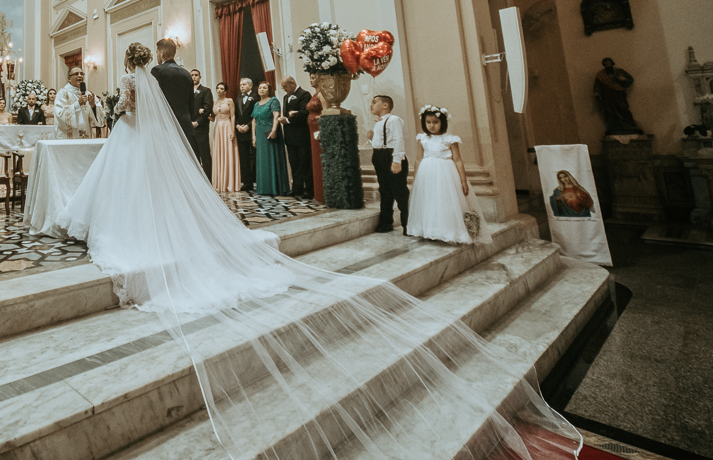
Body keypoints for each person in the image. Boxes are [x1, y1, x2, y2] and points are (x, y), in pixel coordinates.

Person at [50, 44, 575, 460]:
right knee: (161, 194)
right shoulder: (181, 77)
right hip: (163, 144)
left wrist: (120, 104)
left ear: (131, 64)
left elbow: (124, 110)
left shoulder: (133, 85)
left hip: (132, 138)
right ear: (160, 58)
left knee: (125, 196)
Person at [403, 105, 492, 244]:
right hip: (426, 173)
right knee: (429, 201)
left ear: (442, 122)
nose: (431, 125)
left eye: (435, 122)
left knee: (444, 200)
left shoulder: (450, 139)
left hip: (445, 173)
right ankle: (430, 230)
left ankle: (448, 231)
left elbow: (457, 160)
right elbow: (418, 159)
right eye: (428, 122)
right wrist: (416, 178)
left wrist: (463, 180)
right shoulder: (422, 139)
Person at [368, 94, 410, 234]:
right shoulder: (378, 122)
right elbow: (380, 144)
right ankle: (386, 223)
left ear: (385, 105)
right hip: (380, 156)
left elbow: (398, 139)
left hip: (391, 156)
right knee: (385, 191)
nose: (371, 105)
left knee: (399, 191)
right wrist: (372, 138)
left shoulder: (394, 120)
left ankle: (408, 224)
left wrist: (397, 160)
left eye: (374, 102)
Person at [150, 38, 195, 148]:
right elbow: (191, 103)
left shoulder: (157, 71)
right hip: (185, 124)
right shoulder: (187, 74)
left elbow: (153, 99)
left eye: (156, 52)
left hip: (165, 125)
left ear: (161, 53)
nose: (156, 55)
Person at [252, 81, 289, 196]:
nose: (261, 90)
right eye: (260, 88)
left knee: (271, 158)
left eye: (264, 88)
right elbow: (254, 120)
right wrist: (253, 136)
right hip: (259, 132)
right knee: (262, 160)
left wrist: (273, 130)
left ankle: (275, 187)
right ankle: (264, 187)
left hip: (269, 132)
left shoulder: (273, 100)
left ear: (269, 90)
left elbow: (276, 116)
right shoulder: (256, 104)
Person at [279, 76, 313, 198]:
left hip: (301, 135)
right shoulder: (285, 97)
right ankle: (297, 188)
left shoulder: (304, 95)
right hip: (290, 136)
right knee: (294, 164)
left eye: (285, 86)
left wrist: (287, 120)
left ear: (292, 83)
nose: (284, 89)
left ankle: (309, 189)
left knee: (305, 163)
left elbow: (305, 113)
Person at [54, 68, 106, 139]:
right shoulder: (62, 93)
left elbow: (102, 118)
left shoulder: (89, 94)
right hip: (69, 137)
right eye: (76, 74)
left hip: (86, 135)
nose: (80, 76)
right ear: (69, 78)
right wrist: (78, 104)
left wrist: (93, 106)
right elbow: (60, 115)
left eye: (82, 74)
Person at [593, 57, 641, 134]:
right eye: (606, 64)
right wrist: (597, 93)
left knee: (623, 109)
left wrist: (624, 79)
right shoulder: (601, 75)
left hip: (619, 95)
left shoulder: (619, 71)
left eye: (609, 63)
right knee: (610, 112)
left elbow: (630, 80)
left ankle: (630, 126)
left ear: (612, 63)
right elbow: (597, 85)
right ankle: (613, 128)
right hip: (607, 96)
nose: (608, 65)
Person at [211, 82, 240, 193]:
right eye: (217, 88)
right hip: (218, 127)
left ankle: (229, 182)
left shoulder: (229, 101)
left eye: (221, 88)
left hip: (227, 126)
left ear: (225, 91)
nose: (219, 90)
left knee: (228, 152)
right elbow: (213, 118)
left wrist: (232, 130)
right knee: (219, 152)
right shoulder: (214, 102)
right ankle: (219, 182)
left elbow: (233, 116)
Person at [191, 69, 214, 180]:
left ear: (200, 77)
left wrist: (198, 122)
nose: (194, 77)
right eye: (192, 75)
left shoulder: (206, 91)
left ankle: (208, 180)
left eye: (196, 75)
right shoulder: (187, 91)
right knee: (193, 155)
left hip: (201, 128)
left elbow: (208, 108)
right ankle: (196, 180)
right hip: (190, 128)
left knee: (205, 156)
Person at [234, 78, 256, 192]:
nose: (241, 86)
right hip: (240, 131)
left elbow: (255, 115)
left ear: (250, 86)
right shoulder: (238, 98)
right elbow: (236, 114)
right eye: (240, 85)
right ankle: (247, 183)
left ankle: (256, 181)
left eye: (244, 84)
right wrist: (237, 125)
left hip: (252, 131)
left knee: (255, 157)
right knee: (244, 158)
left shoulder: (255, 97)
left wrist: (248, 126)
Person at [306, 88, 324, 200]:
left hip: (318, 127)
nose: (312, 80)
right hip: (312, 127)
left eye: (314, 77)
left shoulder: (323, 93)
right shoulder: (314, 94)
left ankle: (321, 192)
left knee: (319, 158)